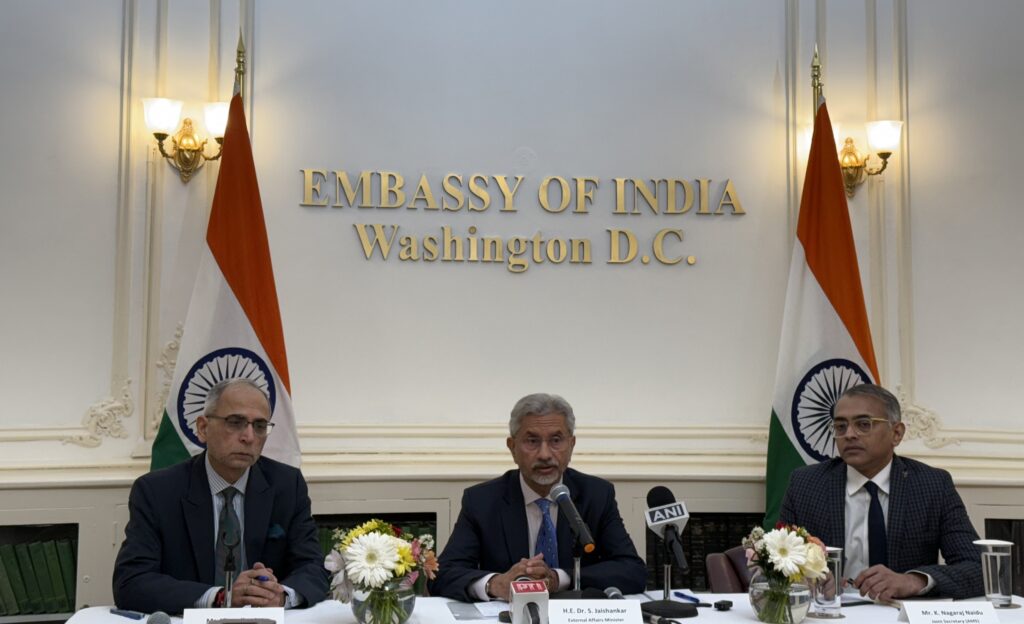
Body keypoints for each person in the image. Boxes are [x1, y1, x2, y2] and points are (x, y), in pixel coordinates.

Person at [113, 378, 328, 614]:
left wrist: (281, 596)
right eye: (235, 422)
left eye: (259, 426)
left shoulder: (287, 485)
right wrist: (220, 597)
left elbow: (312, 567)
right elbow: (132, 582)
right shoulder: (157, 491)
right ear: (203, 428)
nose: (248, 436)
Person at [431, 393, 647, 601]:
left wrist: (559, 578)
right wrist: (496, 584)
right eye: (532, 441)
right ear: (512, 447)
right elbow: (441, 575)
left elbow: (632, 571)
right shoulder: (482, 501)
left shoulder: (597, 495)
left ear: (571, 445)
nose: (544, 454)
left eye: (556, 440)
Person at [778, 383, 983, 601]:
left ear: (896, 433)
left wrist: (914, 581)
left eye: (863, 424)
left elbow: (978, 568)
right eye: (840, 427)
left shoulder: (933, 485)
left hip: (901, 613)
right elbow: (777, 559)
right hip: (831, 611)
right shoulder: (806, 484)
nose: (849, 435)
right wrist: (806, 578)